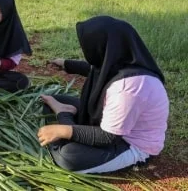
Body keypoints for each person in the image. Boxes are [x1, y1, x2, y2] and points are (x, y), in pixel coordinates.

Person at [38, 16, 169, 173]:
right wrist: (66, 64)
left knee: (68, 156)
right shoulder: (122, 60)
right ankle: (67, 118)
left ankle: (65, 115)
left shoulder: (128, 87)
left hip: (129, 144)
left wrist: (62, 128)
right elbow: (95, 69)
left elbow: (108, 137)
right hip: (111, 124)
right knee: (53, 101)